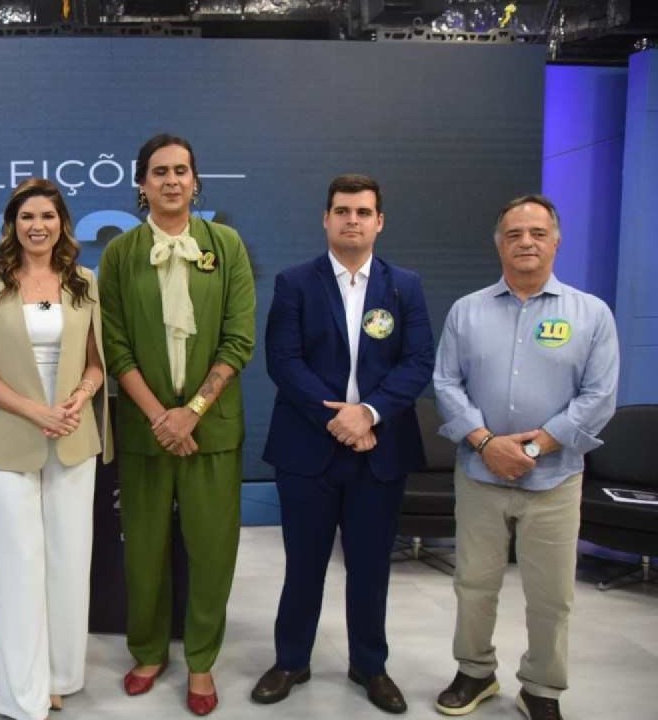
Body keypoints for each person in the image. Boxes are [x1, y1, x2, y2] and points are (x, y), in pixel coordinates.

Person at [432, 194, 618, 720]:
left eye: (537, 233)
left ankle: (541, 687)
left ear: (556, 241)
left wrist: (533, 447)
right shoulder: (466, 311)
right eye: (514, 234)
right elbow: (446, 383)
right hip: (479, 475)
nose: (526, 242)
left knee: (552, 595)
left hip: (555, 480)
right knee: (473, 583)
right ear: (499, 246)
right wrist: (488, 444)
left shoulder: (591, 314)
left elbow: (599, 397)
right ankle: (474, 671)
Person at [254, 173, 434, 715]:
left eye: (362, 211)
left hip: (379, 449)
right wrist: (337, 417)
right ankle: (291, 660)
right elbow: (282, 361)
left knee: (371, 565)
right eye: (341, 211)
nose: (351, 220)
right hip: (308, 448)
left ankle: (370, 665)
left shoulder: (406, 285)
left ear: (379, 221)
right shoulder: (295, 283)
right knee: (303, 564)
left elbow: (418, 361)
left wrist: (370, 413)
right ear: (326, 219)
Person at [98, 133, 256, 717]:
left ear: (196, 181)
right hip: (144, 431)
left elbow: (240, 338)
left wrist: (191, 413)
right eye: (159, 171)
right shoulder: (120, 254)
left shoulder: (228, 246)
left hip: (211, 432)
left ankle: (202, 660)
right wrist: (159, 416)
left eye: (181, 170)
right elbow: (113, 345)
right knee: (144, 550)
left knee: (212, 550)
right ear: (141, 184)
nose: (171, 180)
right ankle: (147, 651)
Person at [0, 178, 112, 720]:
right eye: (27, 217)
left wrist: (77, 398)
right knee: (16, 565)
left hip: (74, 435)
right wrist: (37, 411)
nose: (37, 226)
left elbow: (98, 362)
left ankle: (59, 677)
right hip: (9, 436)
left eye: (47, 216)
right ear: (12, 226)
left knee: (70, 562)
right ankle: (22, 693)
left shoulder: (84, 283)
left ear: (62, 224)